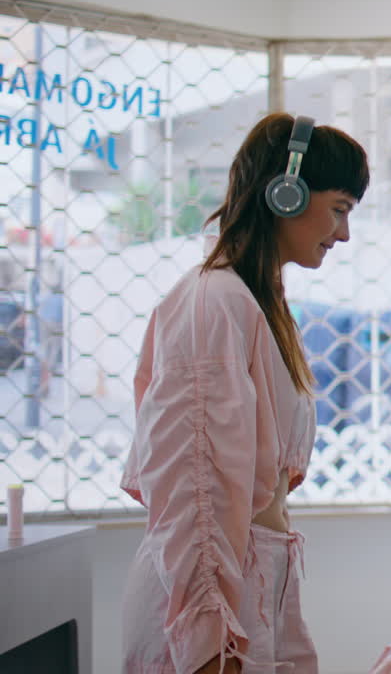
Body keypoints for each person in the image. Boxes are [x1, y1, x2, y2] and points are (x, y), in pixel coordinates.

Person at [120, 112, 369, 674]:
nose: (345, 233)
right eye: (340, 209)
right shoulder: (215, 303)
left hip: (252, 583)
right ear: (286, 193)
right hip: (213, 604)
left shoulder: (255, 304)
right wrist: (211, 639)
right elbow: (194, 486)